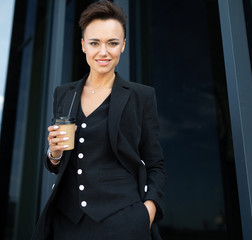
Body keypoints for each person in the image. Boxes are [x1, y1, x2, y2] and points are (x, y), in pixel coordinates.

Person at [32, 1, 167, 239]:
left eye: (112, 43)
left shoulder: (141, 96)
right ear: (83, 45)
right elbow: (58, 163)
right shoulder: (64, 94)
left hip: (123, 223)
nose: (103, 52)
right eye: (95, 43)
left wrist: (148, 211)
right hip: (66, 223)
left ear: (123, 45)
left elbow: (155, 164)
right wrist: (53, 155)